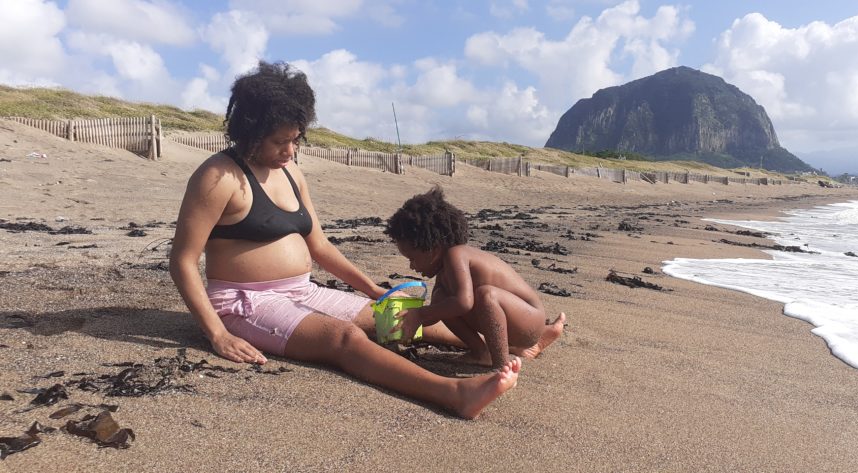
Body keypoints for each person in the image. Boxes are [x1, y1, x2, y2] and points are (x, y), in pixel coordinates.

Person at [169, 61, 518, 420]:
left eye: (295, 139)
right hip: (245, 303)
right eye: (279, 141)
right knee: (344, 337)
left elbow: (319, 246)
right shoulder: (217, 177)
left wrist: (376, 293)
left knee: (396, 318)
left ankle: (506, 347)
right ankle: (454, 393)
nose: (290, 151)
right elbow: (183, 260)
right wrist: (216, 333)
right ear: (250, 130)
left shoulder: (291, 173)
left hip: (302, 291)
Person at [383, 186, 566, 370]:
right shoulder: (444, 271)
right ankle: (481, 353)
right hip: (512, 322)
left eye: (412, 258)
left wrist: (421, 314)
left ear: (434, 249)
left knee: (487, 295)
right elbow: (441, 311)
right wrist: (409, 320)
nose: (411, 266)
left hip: (530, 319)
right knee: (441, 298)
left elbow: (464, 303)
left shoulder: (456, 255)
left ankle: (501, 367)